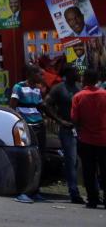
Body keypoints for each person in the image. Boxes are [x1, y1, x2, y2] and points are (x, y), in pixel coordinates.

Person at [10, 63, 71, 203]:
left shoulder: (37, 90)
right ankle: (21, 192)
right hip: (23, 127)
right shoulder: (18, 87)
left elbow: (42, 107)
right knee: (24, 158)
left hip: (38, 125)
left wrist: (60, 121)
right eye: (39, 74)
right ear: (31, 74)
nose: (42, 76)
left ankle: (35, 190)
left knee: (39, 158)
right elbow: (12, 108)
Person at [46, 66, 84, 204]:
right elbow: (46, 104)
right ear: (67, 74)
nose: (77, 74)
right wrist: (60, 120)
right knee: (71, 161)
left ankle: (93, 190)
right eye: (74, 72)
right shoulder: (59, 89)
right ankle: (74, 191)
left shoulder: (79, 87)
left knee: (86, 160)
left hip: (82, 129)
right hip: (67, 129)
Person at [72, 68, 106, 209]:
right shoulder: (104, 94)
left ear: (84, 79)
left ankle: (92, 199)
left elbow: (74, 119)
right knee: (105, 170)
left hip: (86, 139)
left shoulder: (78, 97)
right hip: (104, 139)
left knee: (88, 170)